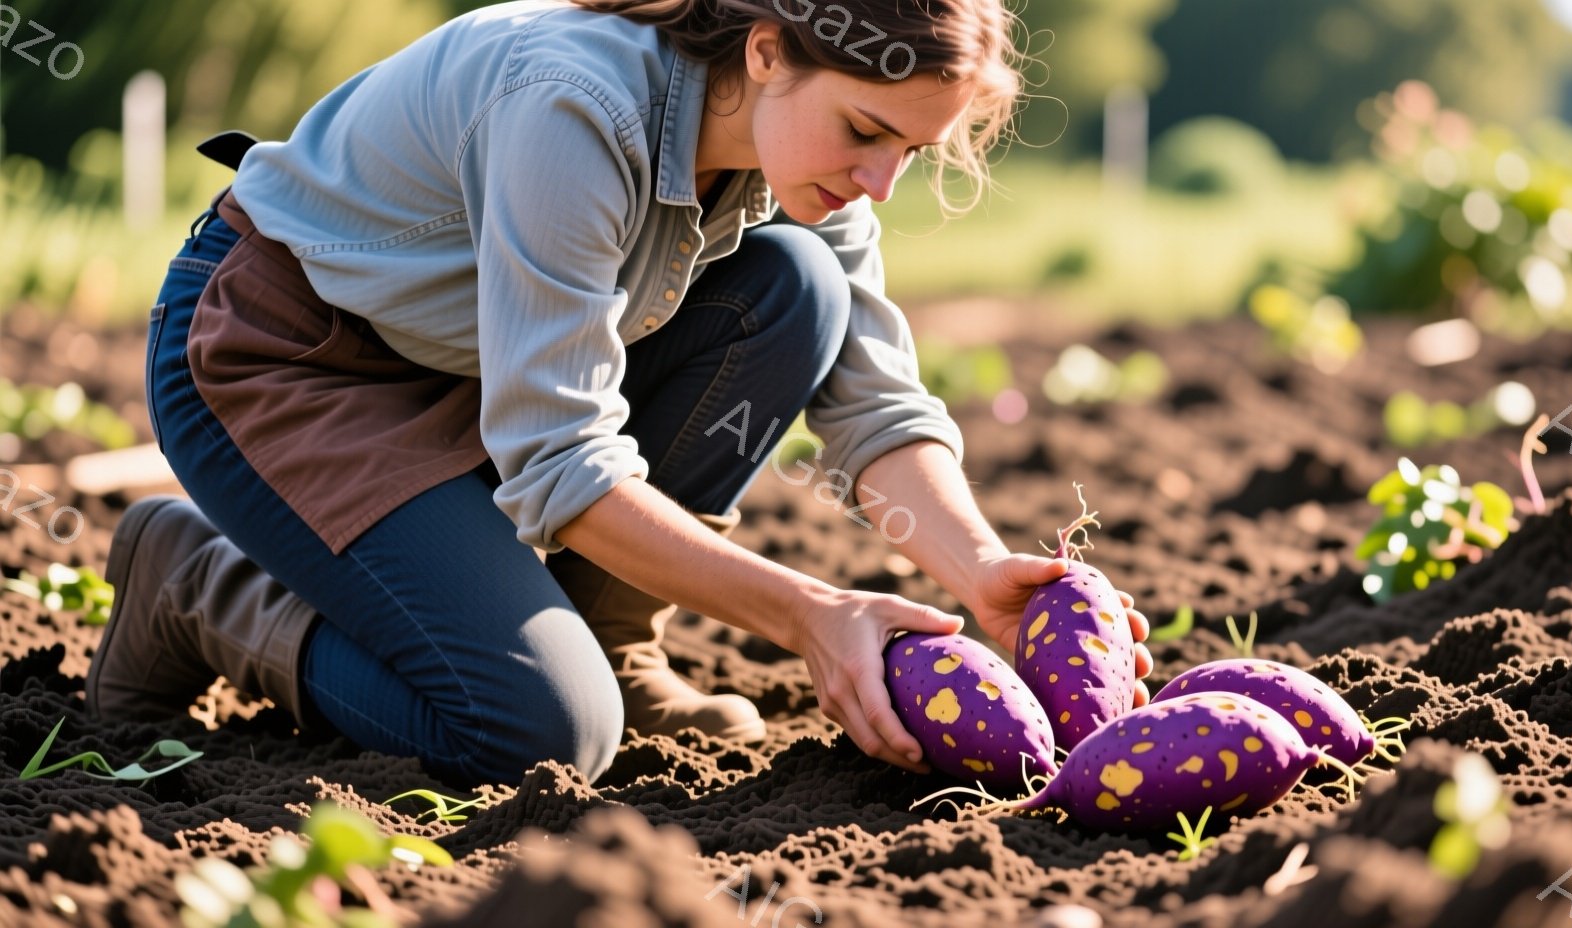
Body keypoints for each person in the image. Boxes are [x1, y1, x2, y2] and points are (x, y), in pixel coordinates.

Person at [89, 0, 1155, 788]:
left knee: (792, 292)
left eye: (910, 152)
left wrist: (979, 575)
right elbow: (560, 458)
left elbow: (871, 403)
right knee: (535, 736)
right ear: (767, 49)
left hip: (466, 364)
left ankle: (604, 636)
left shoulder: (803, 160)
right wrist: (809, 615)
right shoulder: (574, 105)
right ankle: (198, 587)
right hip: (289, 360)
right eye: (866, 131)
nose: (879, 182)